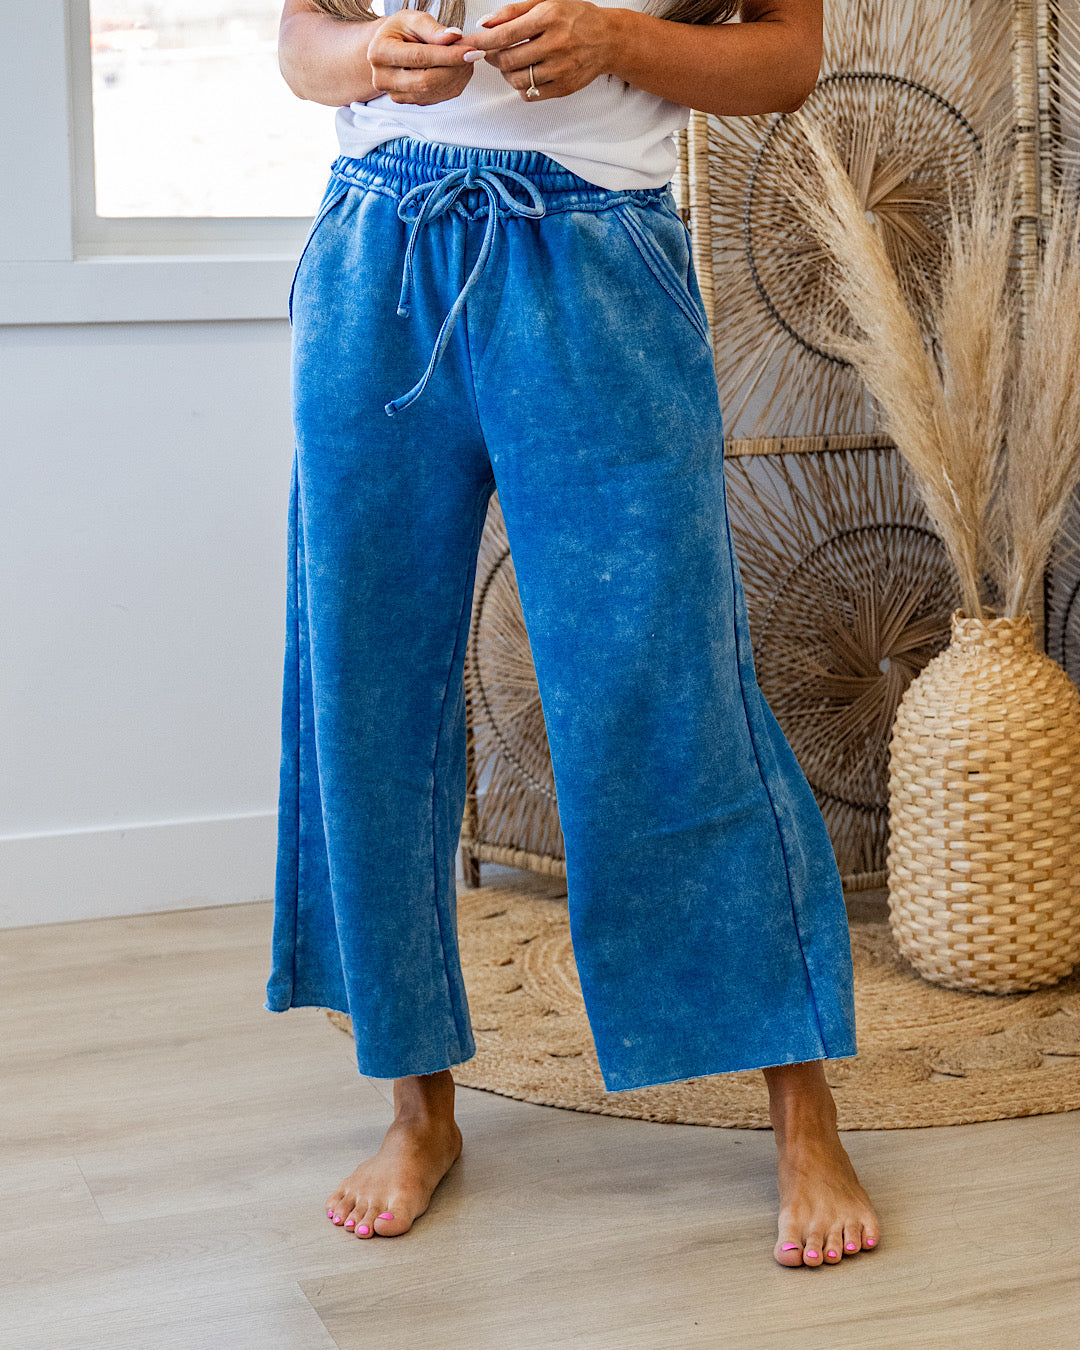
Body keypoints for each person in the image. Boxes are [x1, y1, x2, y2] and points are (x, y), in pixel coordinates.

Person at [265, 0, 882, 1268]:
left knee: (668, 687)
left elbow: (786, 58)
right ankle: (417, 1106)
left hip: (594, 254)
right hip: (374, 255)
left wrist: (620, 43)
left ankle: (803, 1112)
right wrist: (371, 58)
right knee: (362, 688)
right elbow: (301, 43)